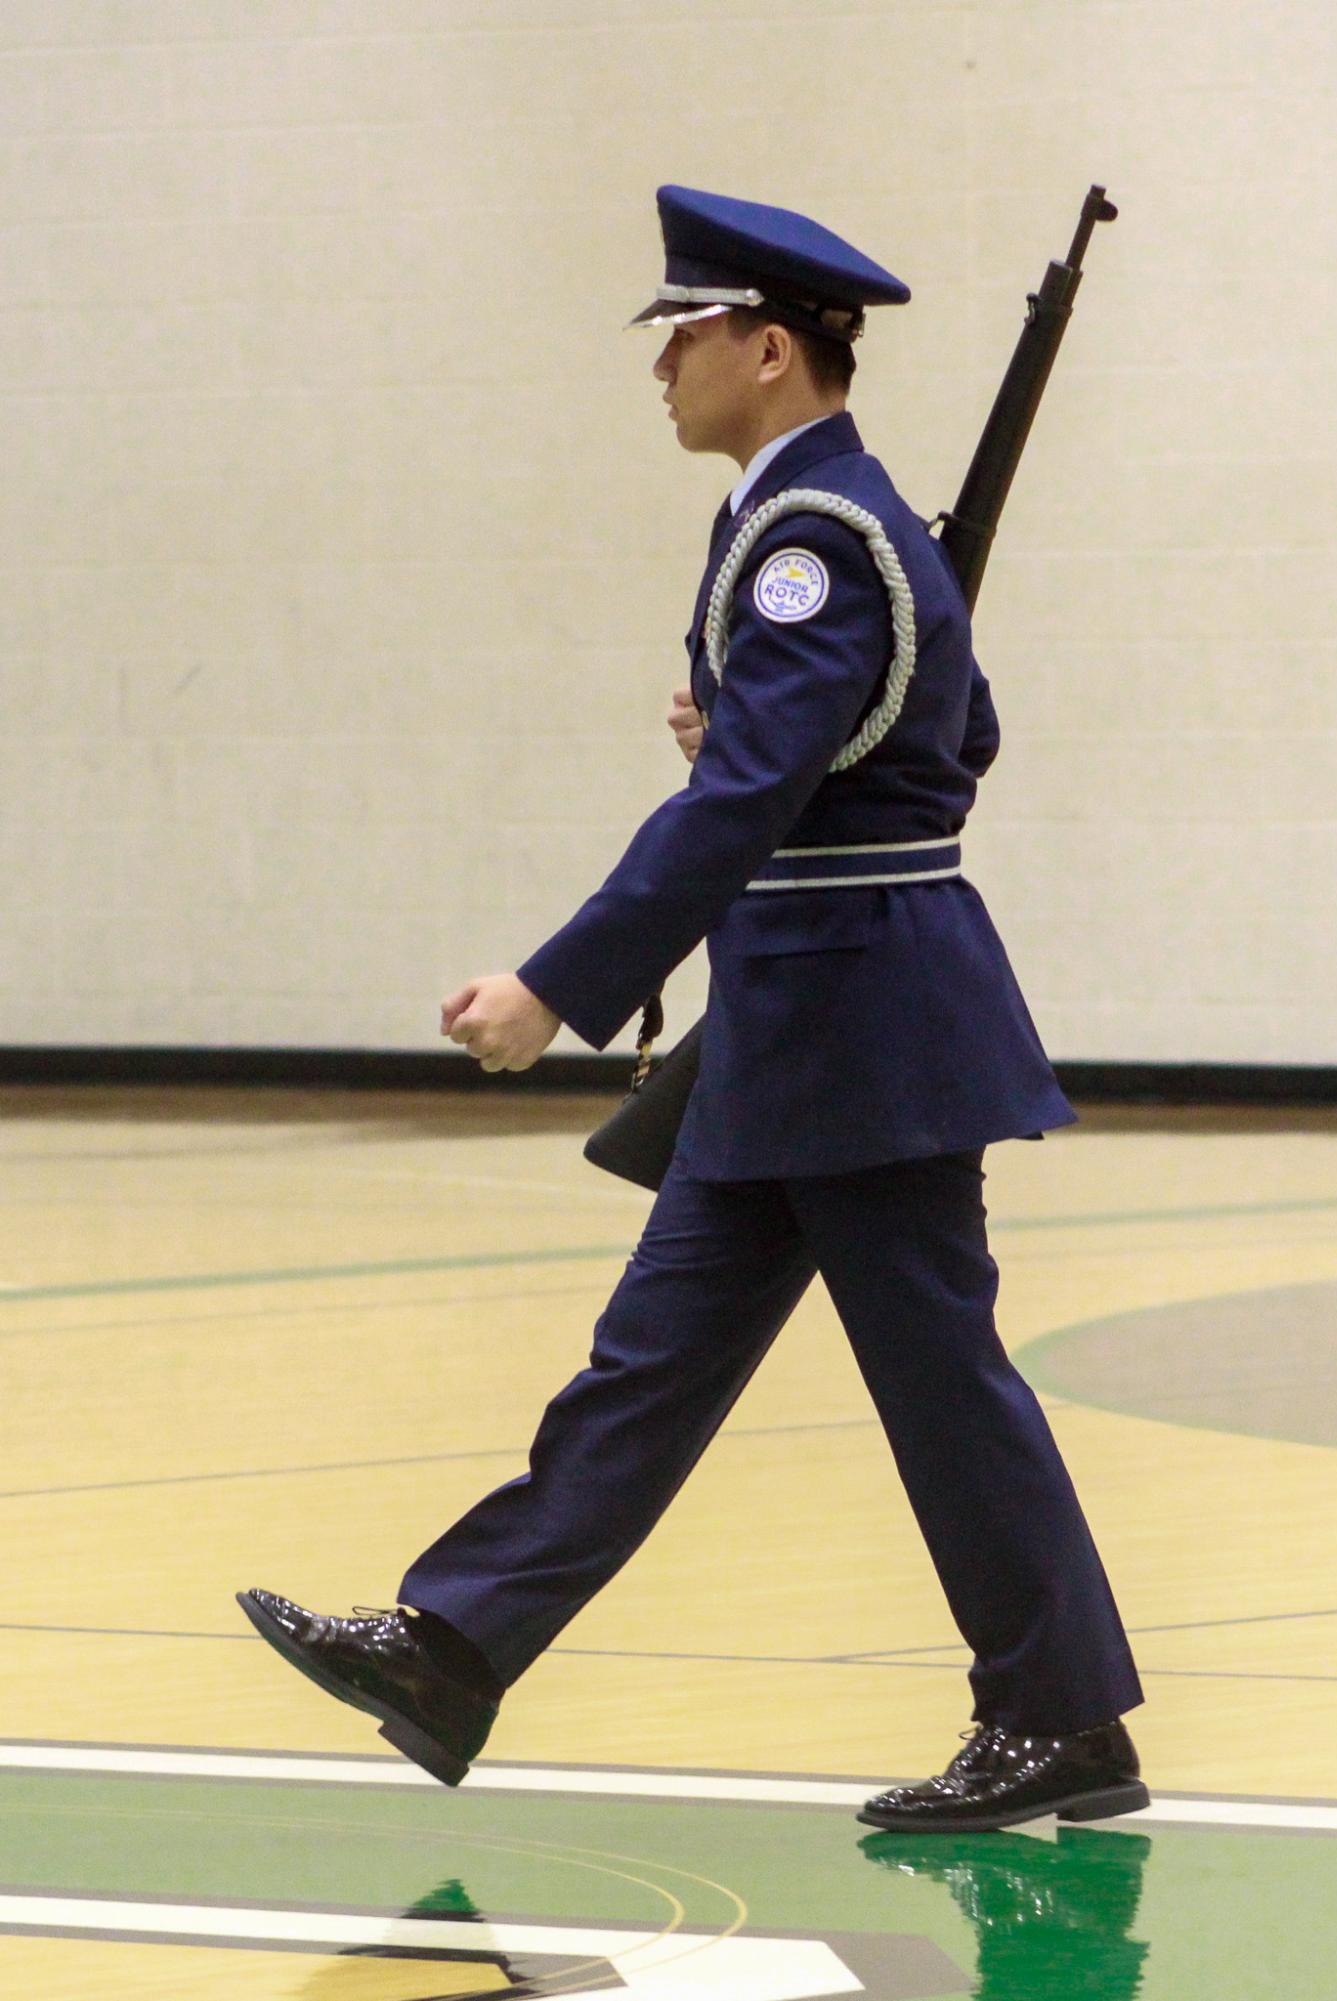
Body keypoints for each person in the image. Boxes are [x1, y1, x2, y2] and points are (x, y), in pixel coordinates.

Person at [239, 184, 1148, 1833]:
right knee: (645, 1365)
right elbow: (956, 729)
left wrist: (558, 985)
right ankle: (452, 1644)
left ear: (773, 349)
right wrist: (775, 736)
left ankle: (1061, 1717)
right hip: (807, 1022)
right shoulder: (820, 525)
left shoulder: (815, 540)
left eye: (687, 333)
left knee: (939, 1383)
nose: (663, 364)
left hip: (859, 1027)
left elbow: (739, 811)